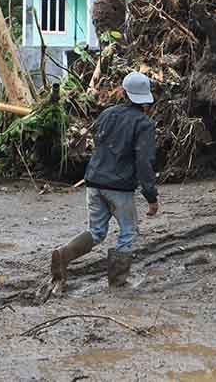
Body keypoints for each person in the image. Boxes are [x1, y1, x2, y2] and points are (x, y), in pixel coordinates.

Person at [49, 71, 160, 290]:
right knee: (128, 232)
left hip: (94, 181)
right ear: (145, 100)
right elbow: (144, 163)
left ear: (123, 93)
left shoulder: (107, 114)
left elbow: (98, 143)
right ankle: (118, 282)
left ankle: (63, 254)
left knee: (97, 231)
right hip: (120, 187)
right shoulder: (144, 124)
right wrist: (151, 196)